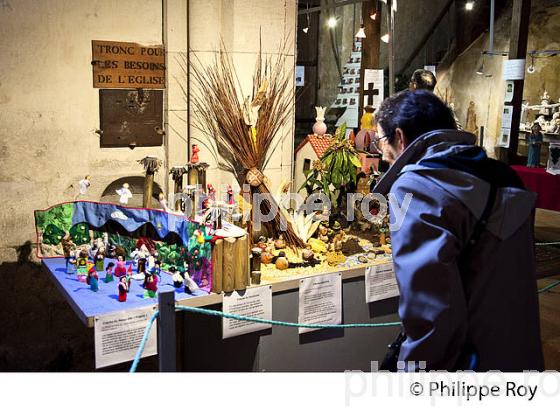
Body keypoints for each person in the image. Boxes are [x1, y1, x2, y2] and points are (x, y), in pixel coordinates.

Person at [374, 90, 544, 371]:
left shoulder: (417, 187)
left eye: (381, 140)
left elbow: (431, 315)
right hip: (519, 357)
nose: (381, 154)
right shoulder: (506, 177)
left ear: (400, 137)